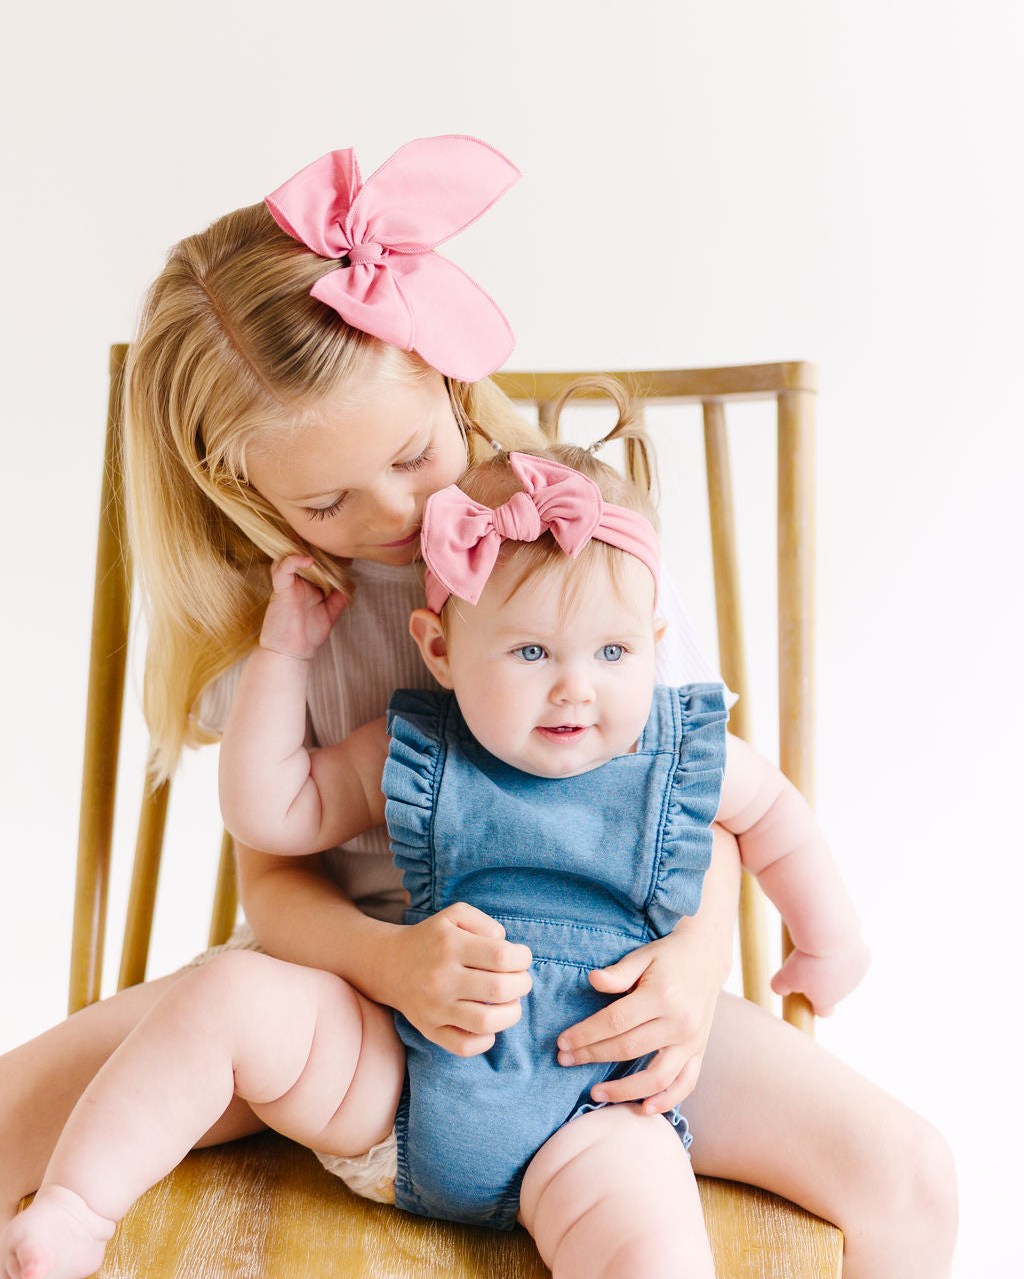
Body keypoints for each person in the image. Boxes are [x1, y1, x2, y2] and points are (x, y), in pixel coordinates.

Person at [0, 137, 956, 1276]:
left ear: (448, 379)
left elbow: (684, 802)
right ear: (243, 491)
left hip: (604, 1005)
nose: (393, 511)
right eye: (325, 497)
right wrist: (390, 964)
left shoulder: (586, 550)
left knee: (912, 1176)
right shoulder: (286, 619)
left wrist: (696, 965)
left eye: (411, 454)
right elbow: (274, 873)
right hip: (346, 994)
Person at [2, 436, 875, 1278]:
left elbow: (777, 821)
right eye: (531, 651)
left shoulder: (681, 754)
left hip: (593, 1111)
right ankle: (78, 1210)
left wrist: (827, 940)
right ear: (441, 651)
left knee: (650, 1234)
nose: (577, 685)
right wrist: (284, 653)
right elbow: (273, 809)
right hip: (398, 1079)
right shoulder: (421, 750)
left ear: (652, 640)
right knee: (226, 998)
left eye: (613, 652)